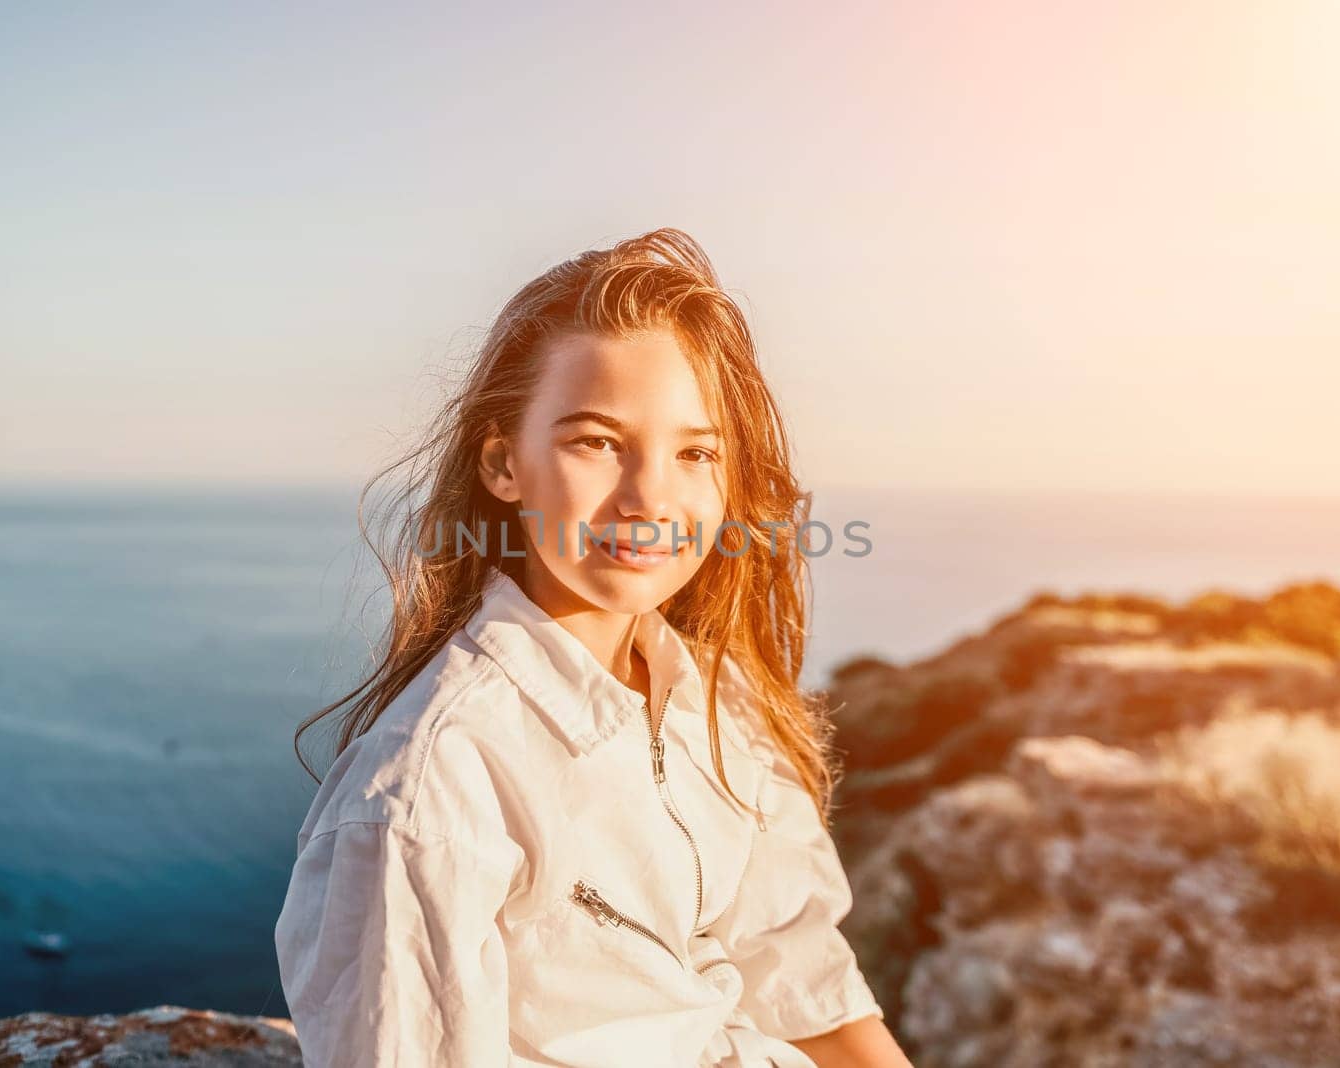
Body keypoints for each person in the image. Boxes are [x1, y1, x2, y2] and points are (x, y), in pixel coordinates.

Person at [274, 228, 915, 1067]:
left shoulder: (723, 706)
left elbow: (810, 997)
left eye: (694, 453)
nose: (651, 497)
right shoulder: (434, 789)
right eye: (597, 442)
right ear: (504, 465)